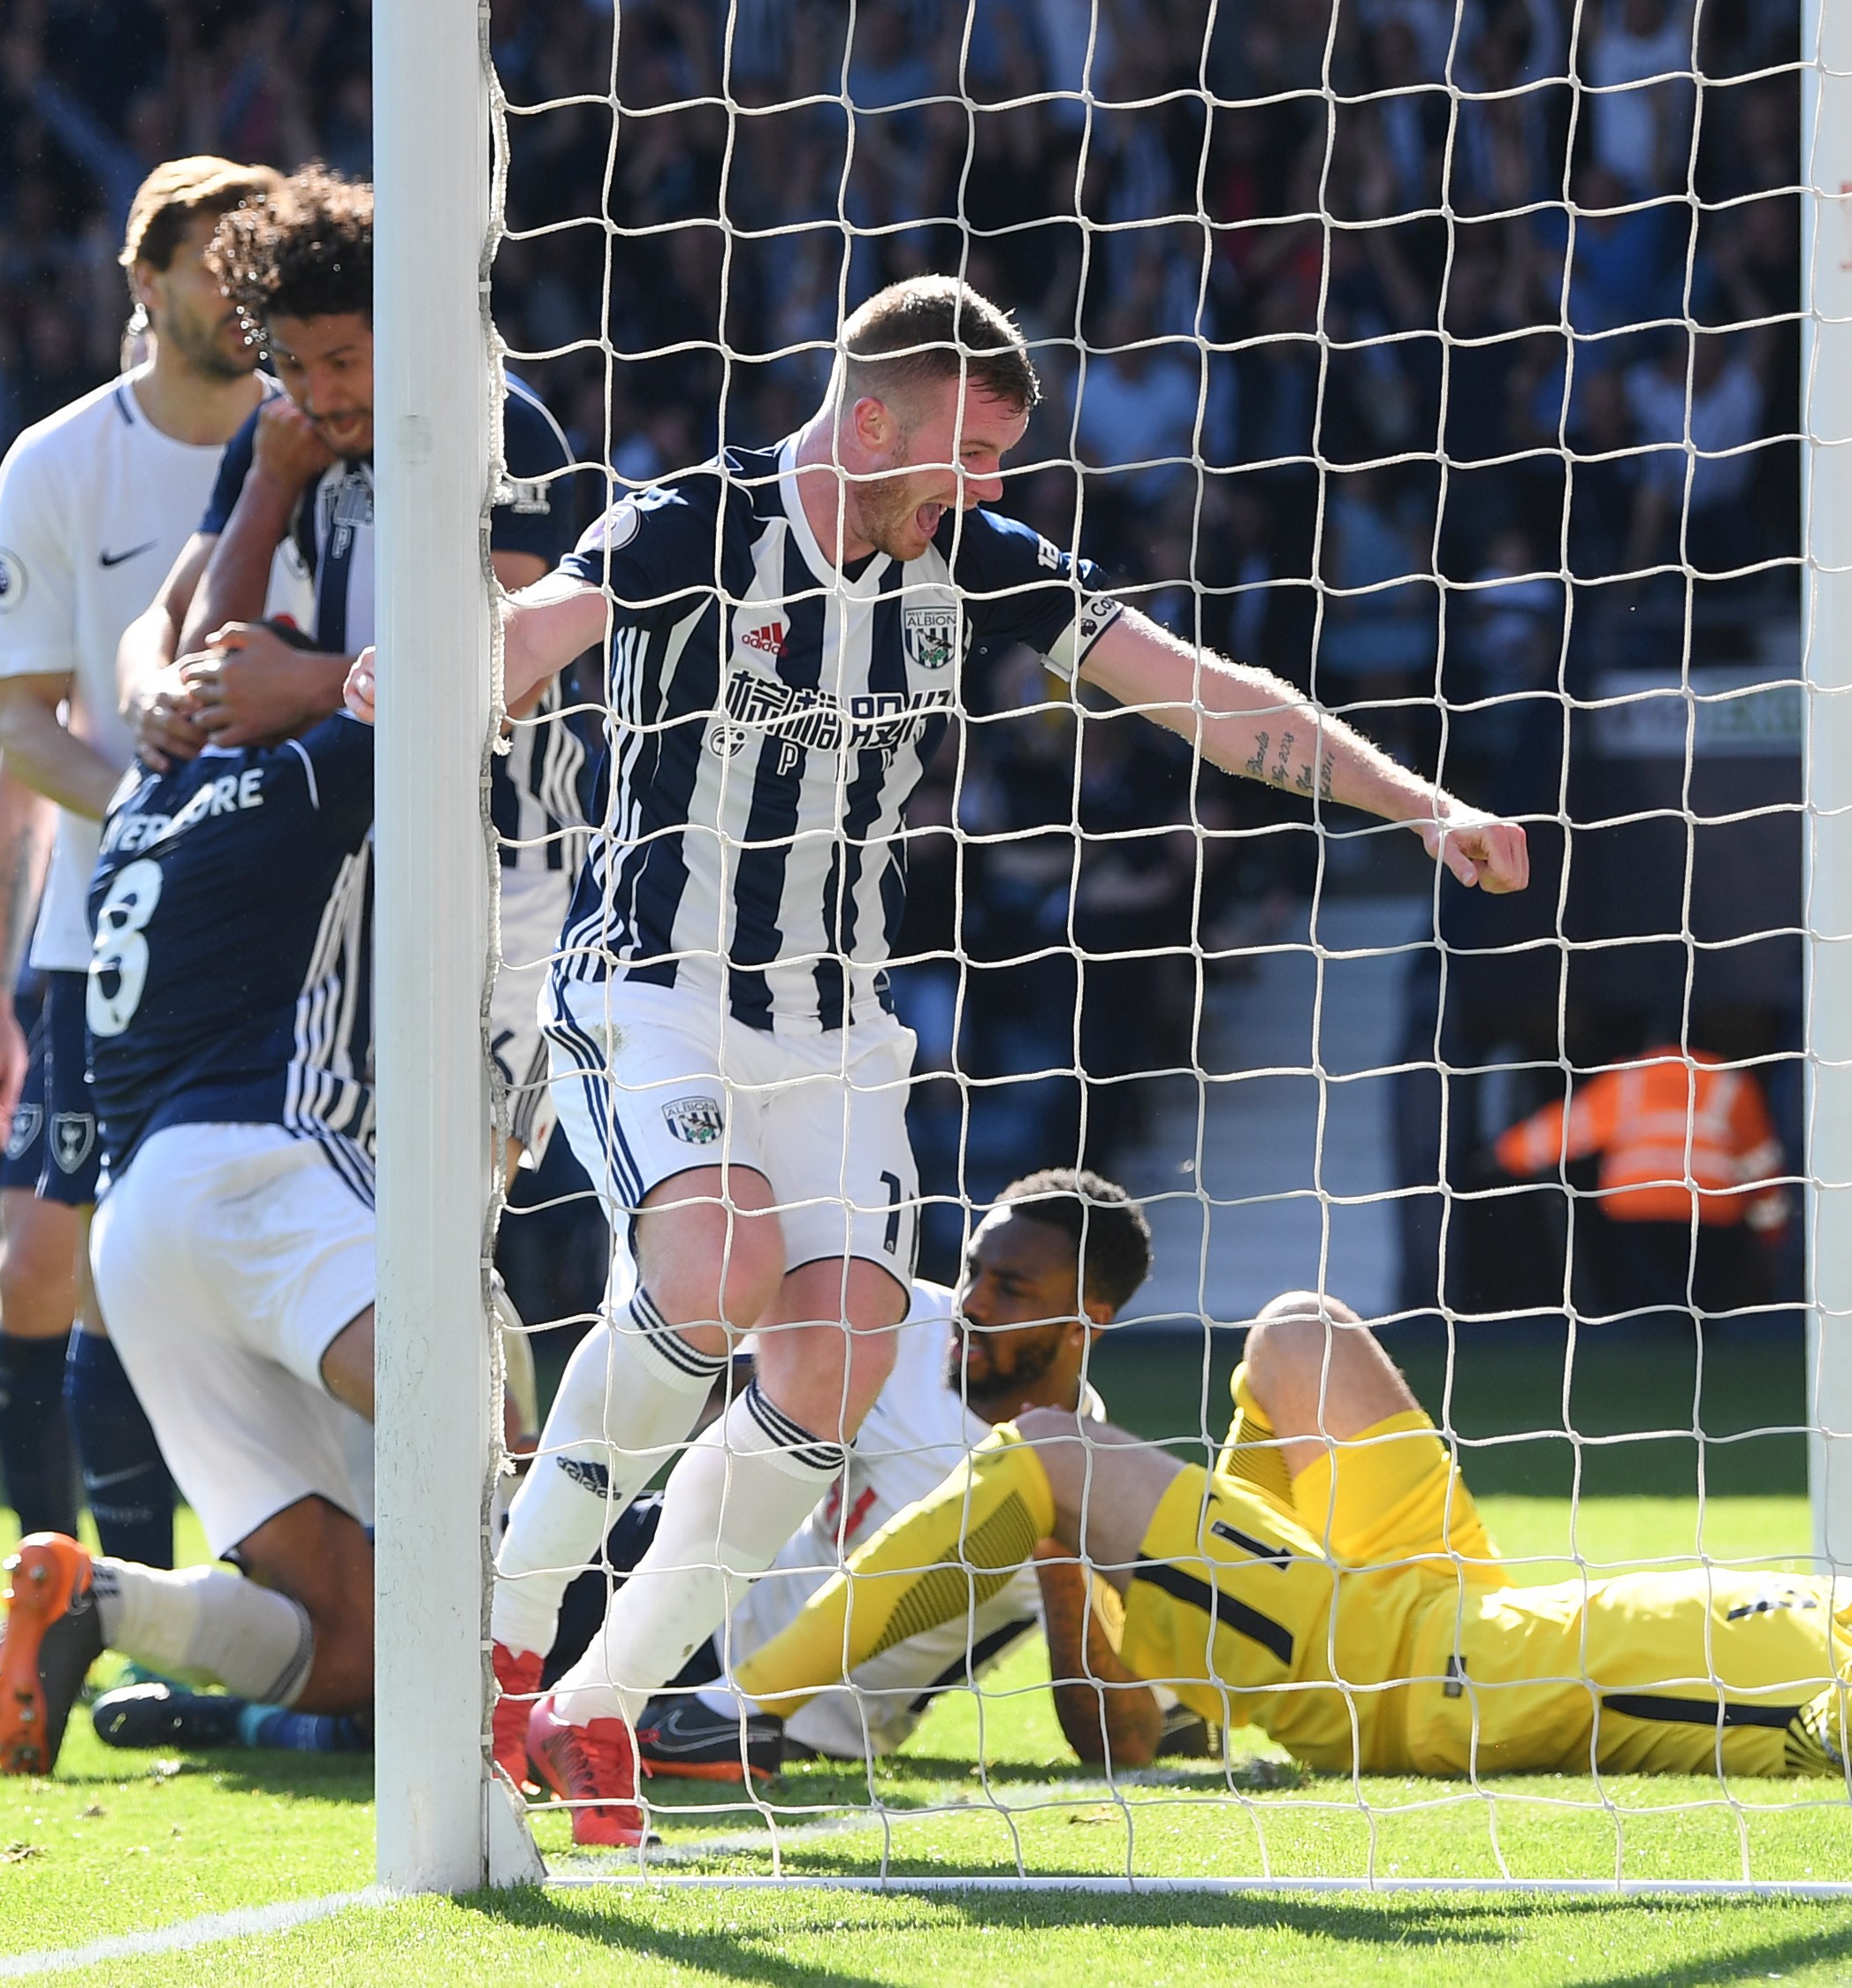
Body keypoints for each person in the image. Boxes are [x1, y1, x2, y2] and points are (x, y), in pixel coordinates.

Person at [404, 271, 1528, 1846]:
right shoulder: (691, 526)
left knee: (845, 1341)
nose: (990, 489)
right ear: (869, 422)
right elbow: (540, 624)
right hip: (652, 988)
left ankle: (597, 1706)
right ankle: (505, 1628)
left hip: (840, 1026)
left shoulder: (972, 561)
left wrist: (1424, 807)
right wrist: (444, 667)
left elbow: (1202, 695)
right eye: (971, 452)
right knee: (716, 1257)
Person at [742, 1295, 1852, 1790]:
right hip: (1456, 1593)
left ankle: (748, 1701)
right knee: (1304, 1337)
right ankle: (1175, 1676)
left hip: (1379, 1672)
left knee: (1046, 1452)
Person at [117, 163, 582, 1432]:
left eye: (341, 361)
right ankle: (432, 1568)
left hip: (501, 889)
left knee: (442, 1235)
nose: (321, 395)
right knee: (371, 1245)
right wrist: (265, 485)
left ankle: (505, 1557)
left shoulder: (502, 429)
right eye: (294, 365)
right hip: (328, 900)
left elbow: (509, 669)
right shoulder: (284, 442)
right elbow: (216, 657)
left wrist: (302, 686)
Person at [0, 157, 283, 1688]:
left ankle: (225, 1600)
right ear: (148, 283)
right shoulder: (60, 463)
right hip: (114, 937)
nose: (246, 292)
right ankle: (60, 1582)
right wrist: (156, 823)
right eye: (223, 264)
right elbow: (25, 731)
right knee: (55, 1262)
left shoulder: (316, 446)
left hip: (289, 935)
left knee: (200, 1268)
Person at [0, 696, 379, 1778]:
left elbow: (170, 651)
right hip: (265, 1173)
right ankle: (566, 1681)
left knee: (356, 1643)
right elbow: (462, 671)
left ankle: (107, 1597)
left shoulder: (140, 803)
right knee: (468, 1413)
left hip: (144, 1223)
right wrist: (310, 671)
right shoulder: (298, 773)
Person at [553, 1169, 1193, 1781]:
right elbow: (722, 1379)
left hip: (794, 1722)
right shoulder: (901, 1317)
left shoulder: (1091, 1490)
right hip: (685, 1571)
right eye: (972, 1270)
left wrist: (1061, 1562)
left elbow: (1128, 1740)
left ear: (1090, 1320)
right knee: (488, 1572)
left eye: (1012, 1288)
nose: (973, 1303)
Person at [1490, 1029, 1788, 1323]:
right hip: (1708, 1206)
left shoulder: (1630, 1078)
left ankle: (1647, 1338)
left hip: (1638, 1204)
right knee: (1700, 1305)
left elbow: (1571, 1127)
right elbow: (1760, 1164)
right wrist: (1772, 1232)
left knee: (1646, 1305)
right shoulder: (1730, 1083)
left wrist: (1507, 1153)